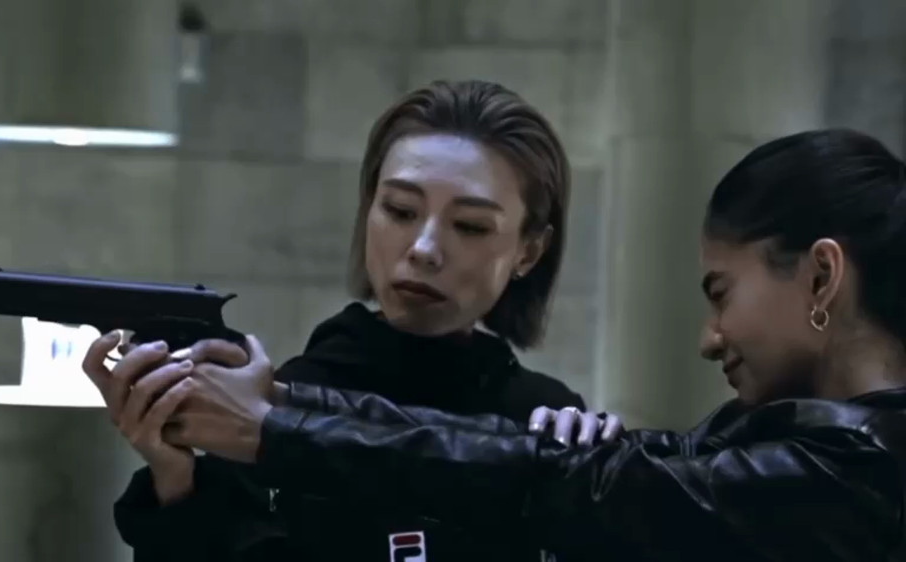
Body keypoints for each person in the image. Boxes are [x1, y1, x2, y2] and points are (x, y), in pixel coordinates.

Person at [107, 128, 906, 561]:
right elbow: (572, 466)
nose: (710, 337)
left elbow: (542, 476)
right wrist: (280, 403)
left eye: (720, 292)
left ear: (821, 277)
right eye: (399, 211)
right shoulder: (786, 438)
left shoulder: (861, 472)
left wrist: (274, 426)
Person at [86, 80, 621, 562]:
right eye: (401, 211)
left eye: (470, 226)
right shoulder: (274, 406)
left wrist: (604, 480)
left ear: (529, 250)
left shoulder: (544, 417)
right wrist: (175, 478)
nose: (424, 248)